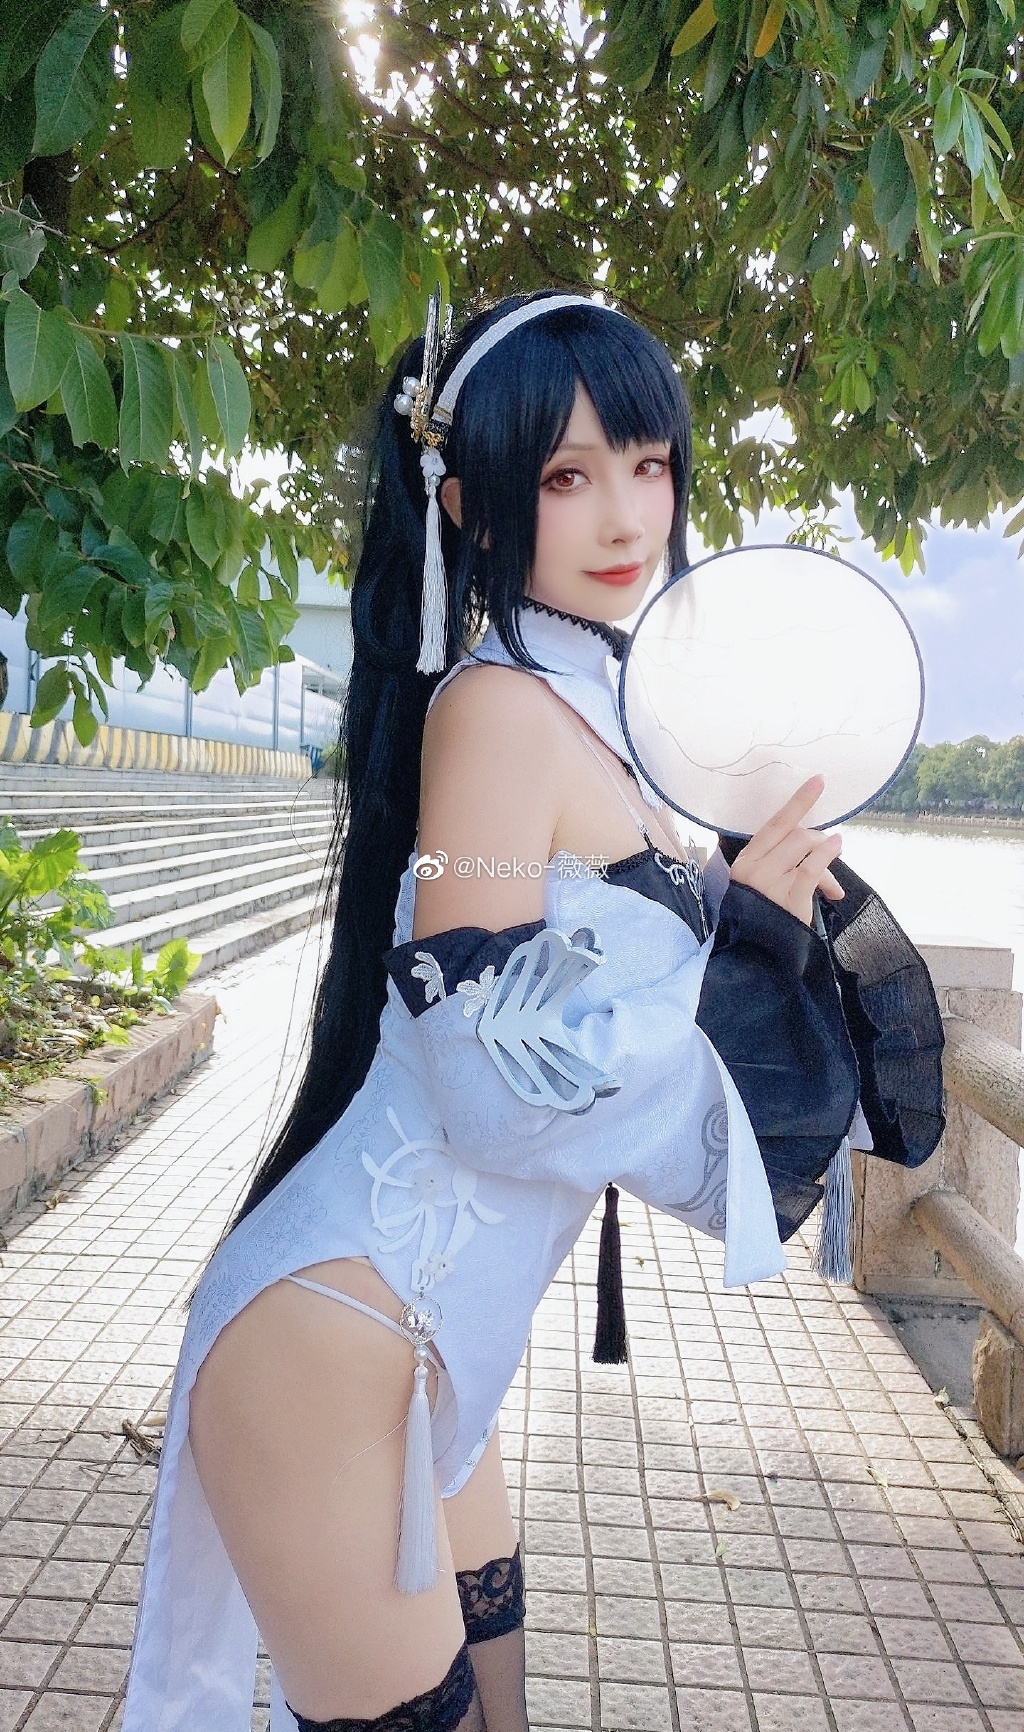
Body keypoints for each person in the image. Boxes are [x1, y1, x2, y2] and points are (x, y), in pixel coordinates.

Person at [121, 290, 944, 1732]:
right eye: (567, 476)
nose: (625, 515)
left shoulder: (607, 712)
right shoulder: (499, 710)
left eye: (649, 463)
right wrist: (733, 953)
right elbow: (484, 1077)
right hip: (341, 1331)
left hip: (437, 1345)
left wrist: (746, 910)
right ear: (469, 502)